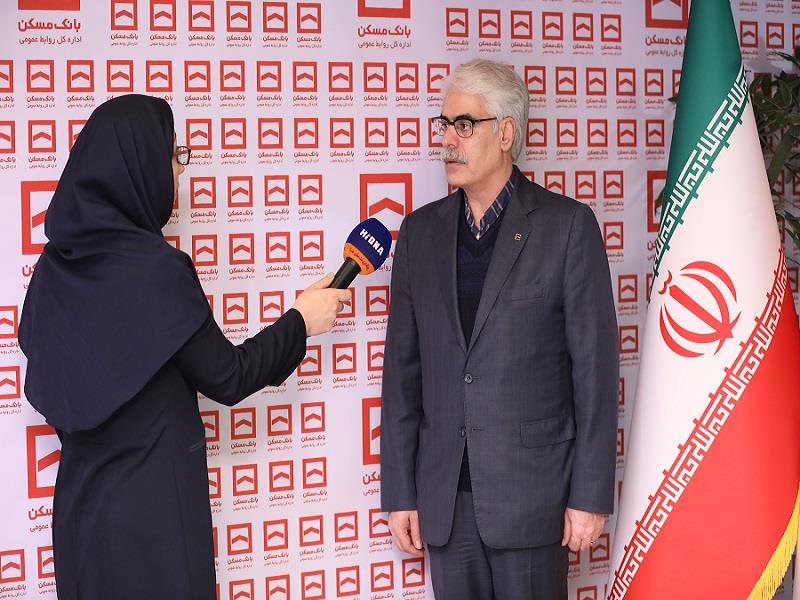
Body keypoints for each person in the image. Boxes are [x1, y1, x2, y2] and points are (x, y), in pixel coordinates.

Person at [18, 94, 350, 600]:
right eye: (174, 154)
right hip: (156, 523)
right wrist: (301, 321)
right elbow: (230, 377)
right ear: (138, 165)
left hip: (80, 518)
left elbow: (47, 377)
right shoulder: (156, 271)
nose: (180, 169)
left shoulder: (51, 270)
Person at [380, 59, 619, 599]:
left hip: (533, 499)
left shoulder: (567, 227)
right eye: (444, 124)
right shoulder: (419, 233)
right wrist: (400, 493)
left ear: (506, 133)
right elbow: (402, 375)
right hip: (445, 503)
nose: (448, 140)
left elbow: (595, 374)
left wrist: (589, 495)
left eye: (465, 125)